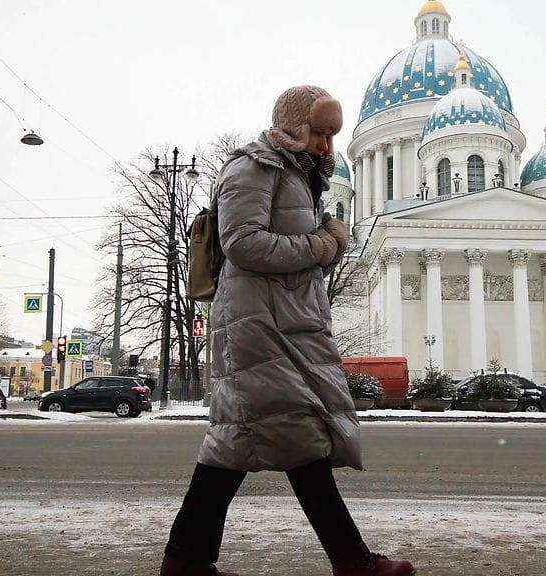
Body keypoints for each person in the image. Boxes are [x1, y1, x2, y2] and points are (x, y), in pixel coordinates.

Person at [160, 86, 415, 576]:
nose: (326, 145)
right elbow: (244, 245)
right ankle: (353, 561)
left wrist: (322, 245)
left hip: (281, 325)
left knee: (239, 444)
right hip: (259, 328)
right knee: (297, 440)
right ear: (295, 125)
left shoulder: (295, 176)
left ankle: (186, 561)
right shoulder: (254, 168)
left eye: (331, 136)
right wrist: (321, 245)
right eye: (319, 132)